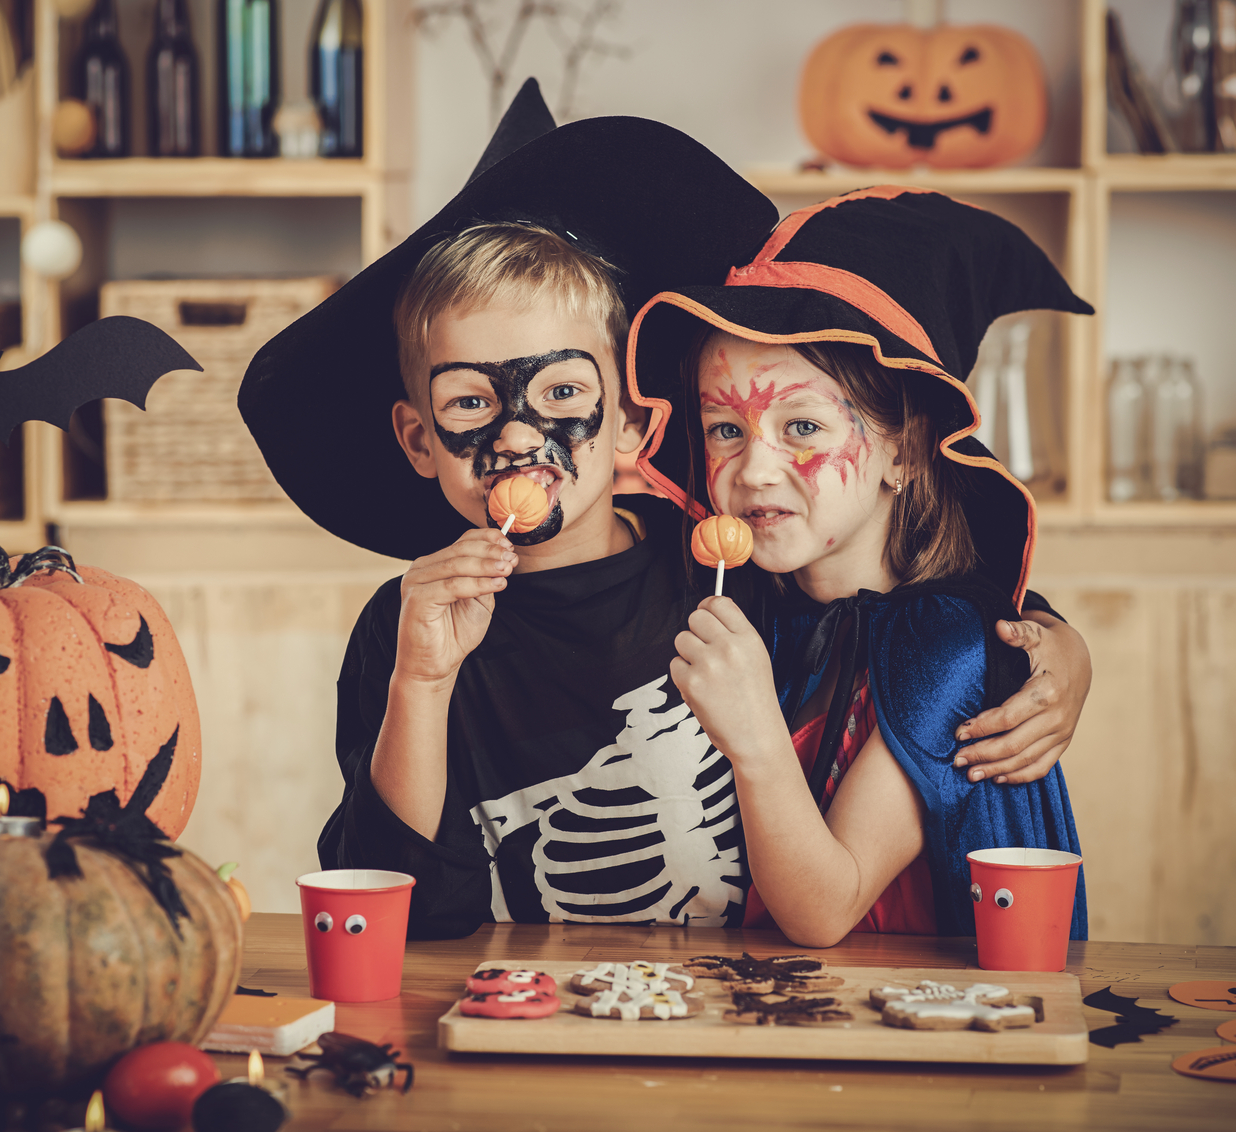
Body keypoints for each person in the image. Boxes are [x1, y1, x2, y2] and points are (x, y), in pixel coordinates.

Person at [240, 86, 1091, 938]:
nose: (516, 438)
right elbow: (393, 922)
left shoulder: (729, 572)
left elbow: (906, 617)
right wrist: (420, 685)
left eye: (561, 392)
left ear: (634, 425)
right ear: (418, 438)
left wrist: (1051, 646)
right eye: (469, 404)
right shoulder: (407, 631)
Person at [629, 187, 1090, 948]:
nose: (754, 471)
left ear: (905, 450)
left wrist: (752, 735)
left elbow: (824, 909)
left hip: (919, 1032)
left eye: (802, 426)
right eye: (724, 429)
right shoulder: (751, 605)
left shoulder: (947, 647)